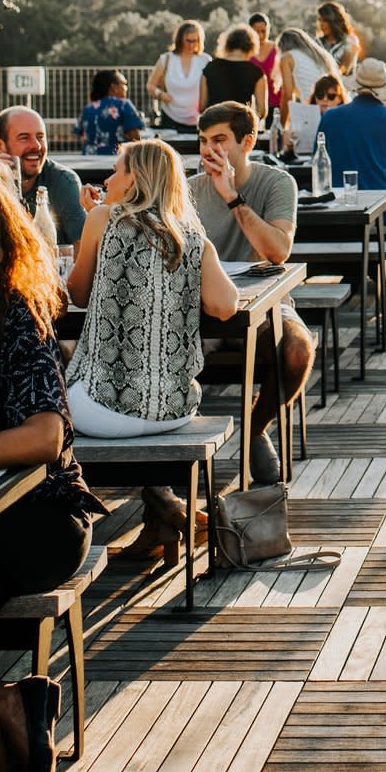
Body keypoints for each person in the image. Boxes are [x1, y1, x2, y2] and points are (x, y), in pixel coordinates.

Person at [0, 153, 103, 772]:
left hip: (37, 517)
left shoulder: (14, 311)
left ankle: (4, 715)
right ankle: (8, 702)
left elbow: (44, 437)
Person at [65, 142, 239, 542]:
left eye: (116, 171)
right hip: (175, 409)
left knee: (46, 401)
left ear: (136, 180)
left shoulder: (102, 220)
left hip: (101, 414)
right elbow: (225, 306)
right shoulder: (192, 237)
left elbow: (77, 294)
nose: (107, 179)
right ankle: (162, 507)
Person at [190, 101, 313, 485]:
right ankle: (174, 465)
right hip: (203, 307)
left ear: (247, 141)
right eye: (205, 141)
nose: (210, 150)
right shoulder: (187, 188)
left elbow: (278, 249)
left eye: (220, 140)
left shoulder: (276, 182)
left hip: (266, 304)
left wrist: (231, 196)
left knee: (297, 350)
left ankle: (255, 428)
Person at [320, 58, 386, 222]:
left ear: (357, 84)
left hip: (339, 206)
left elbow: (319, 157)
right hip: (385, 209)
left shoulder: (330, 116)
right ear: (385, 85)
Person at [0, 107, 86, 244]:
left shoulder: (63, 181)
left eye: (40, 137)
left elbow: (81, 248)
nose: (36, 145)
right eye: (24, 138)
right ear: (0, 145)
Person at [278, 28, 341, 146]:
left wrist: (281, 127)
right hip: (332, 107)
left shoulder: (287, 57)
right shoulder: (320, 55)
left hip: (311, 111)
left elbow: (288, 95)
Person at [147, 20, 210, 133]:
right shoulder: (166, 59)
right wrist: (160, 94)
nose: (191, 45)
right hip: (170, 116)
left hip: (197, 119)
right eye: (188, 41)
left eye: (195, 41)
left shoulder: (205, 60)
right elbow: (151, 85)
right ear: (179, 40)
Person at [199, 24, 269, 118]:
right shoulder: (256, 72)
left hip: (213, 126)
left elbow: (202, 107)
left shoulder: (210, 67)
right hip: (240, 128)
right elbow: (261, 111)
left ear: (227, 43)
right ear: (252, 45)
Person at [76, 69, 146, 154]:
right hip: (115, 160)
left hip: (87, 160)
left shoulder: (88, 108)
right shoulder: (124, 105)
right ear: (113, 87)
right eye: (124, 84)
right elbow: (135, 138)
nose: (126, 88)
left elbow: (80, 133)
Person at [316, 1, 361, 83]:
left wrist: (329, 77)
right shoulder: (317, 42)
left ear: (334, 22)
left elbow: (345, 67)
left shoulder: (351, 41)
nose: (321, 24)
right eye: (320, 20)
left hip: (344, 89)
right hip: (321, 89)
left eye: (325, 21)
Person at [248, 13, 282, 117]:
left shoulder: (277, 49)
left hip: (277, 105)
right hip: (255, 106)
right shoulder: (247, 52)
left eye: (263, 31)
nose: (260, 35)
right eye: (256, 32)